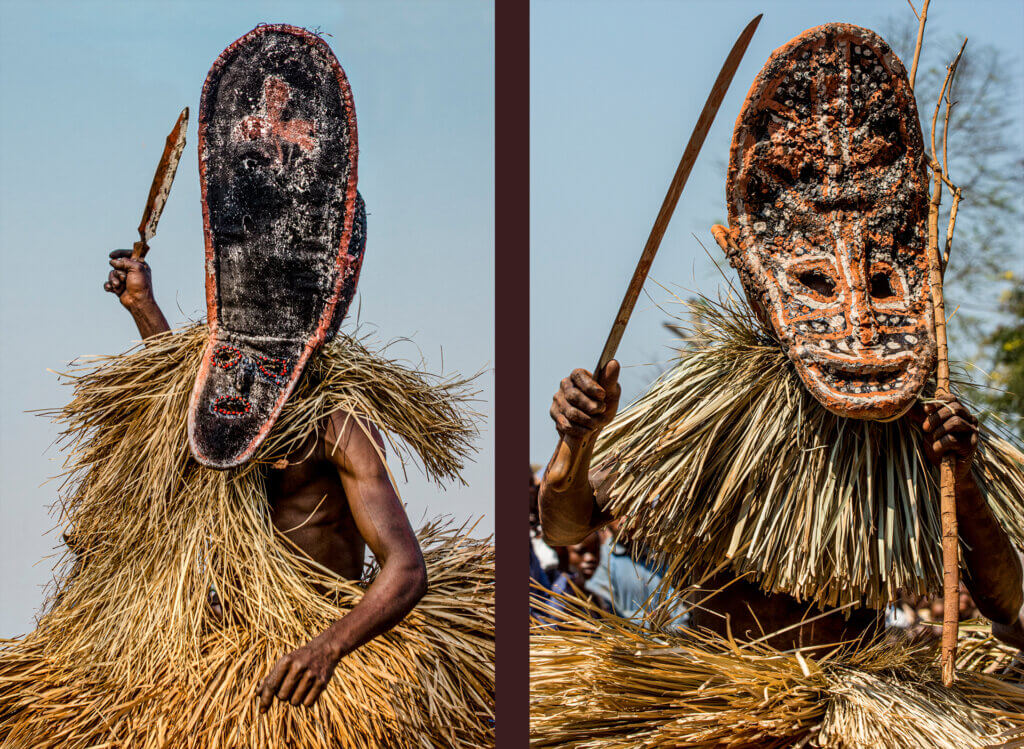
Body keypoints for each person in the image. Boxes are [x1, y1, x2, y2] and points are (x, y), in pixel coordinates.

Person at [105, 248, 427, 711]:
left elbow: (407, 570)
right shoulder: (225, 403)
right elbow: (178, 396)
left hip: (314, 643)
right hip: (228, 639)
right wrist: (142, 306)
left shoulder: (337, 424)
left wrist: (327, 648)